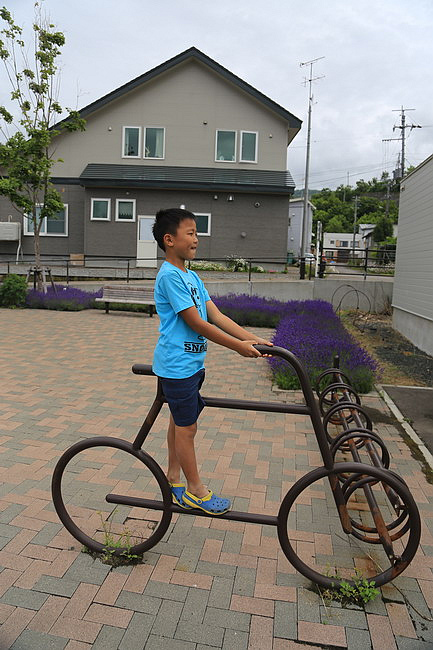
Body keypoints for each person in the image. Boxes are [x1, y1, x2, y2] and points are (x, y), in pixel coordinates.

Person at [152, 208, 272, 515]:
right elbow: (197, 323)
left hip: (190, 364)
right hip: (178, 366)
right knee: (186, 428)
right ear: (170, 240)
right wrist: (237, 347)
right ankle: (195, 490)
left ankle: (172, 477)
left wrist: (252, 338)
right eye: (190, 233)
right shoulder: (170, 276)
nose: (196, 239)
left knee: (178, 422)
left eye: (196, 233)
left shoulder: (191, 276)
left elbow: (215, 315)